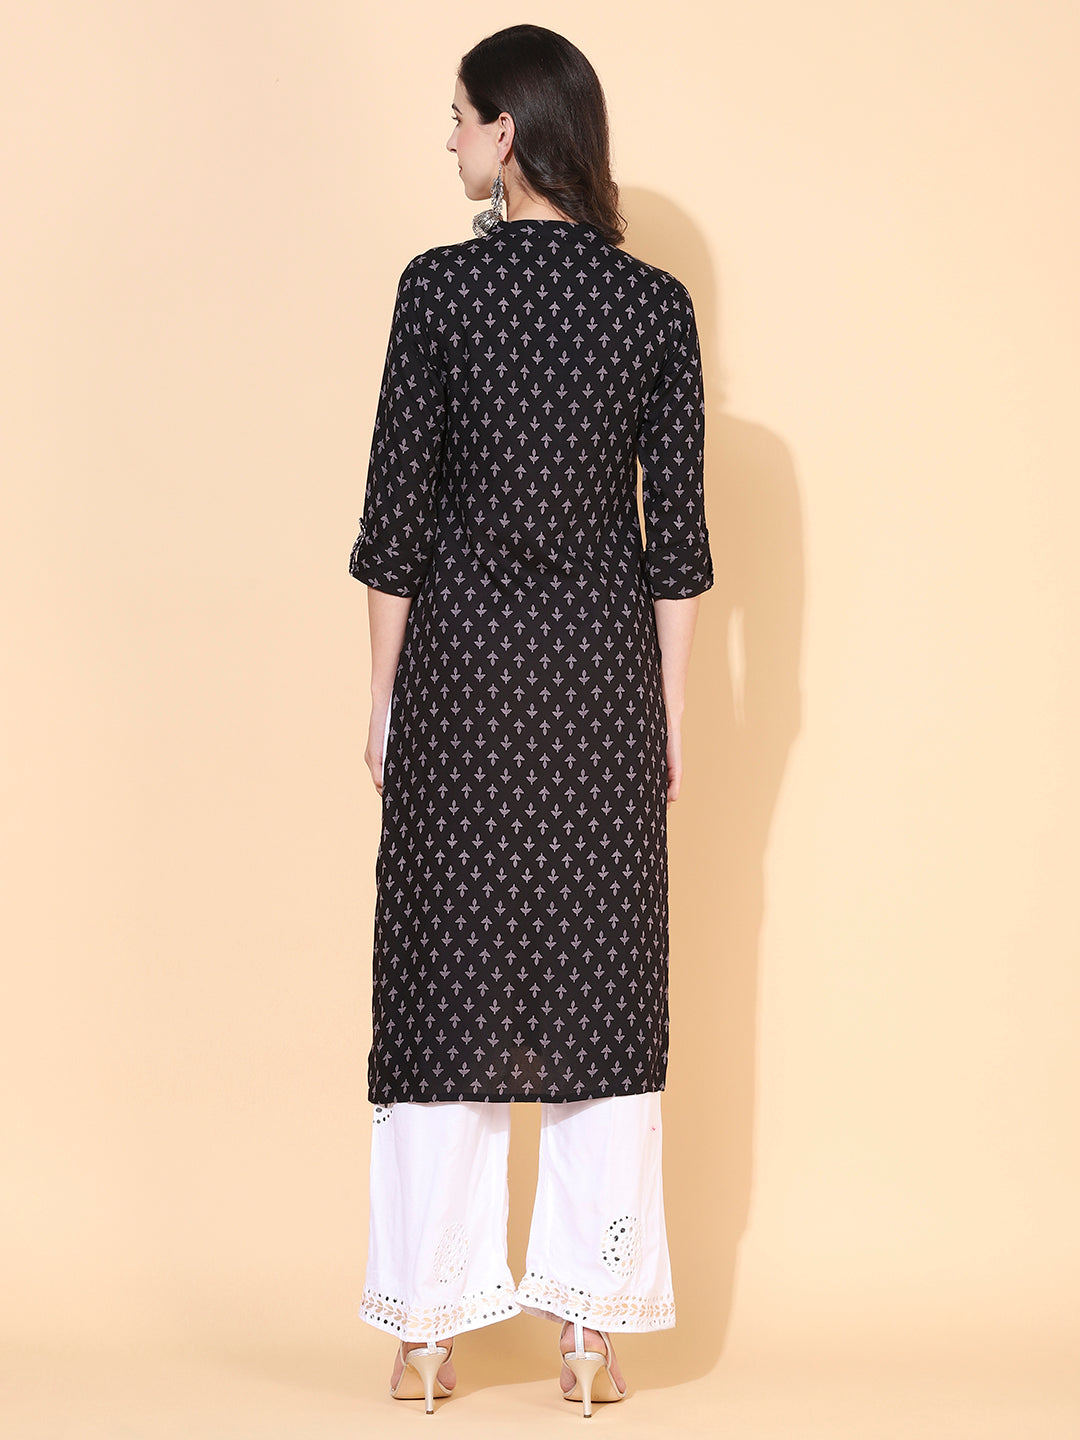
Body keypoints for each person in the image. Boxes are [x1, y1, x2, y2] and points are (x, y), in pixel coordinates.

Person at [348, 23, 714, 1416]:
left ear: (507, 133)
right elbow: (677, 549)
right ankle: (592, 1334)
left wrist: (381, 697)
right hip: (599, 695)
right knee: (601, 1004)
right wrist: (668, 713)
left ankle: (426, 1334)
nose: (449, 140)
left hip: (461, 688)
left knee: (443, 995)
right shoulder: (655, 309)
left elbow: (394, 527)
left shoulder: (437, 293)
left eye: (458, 118)